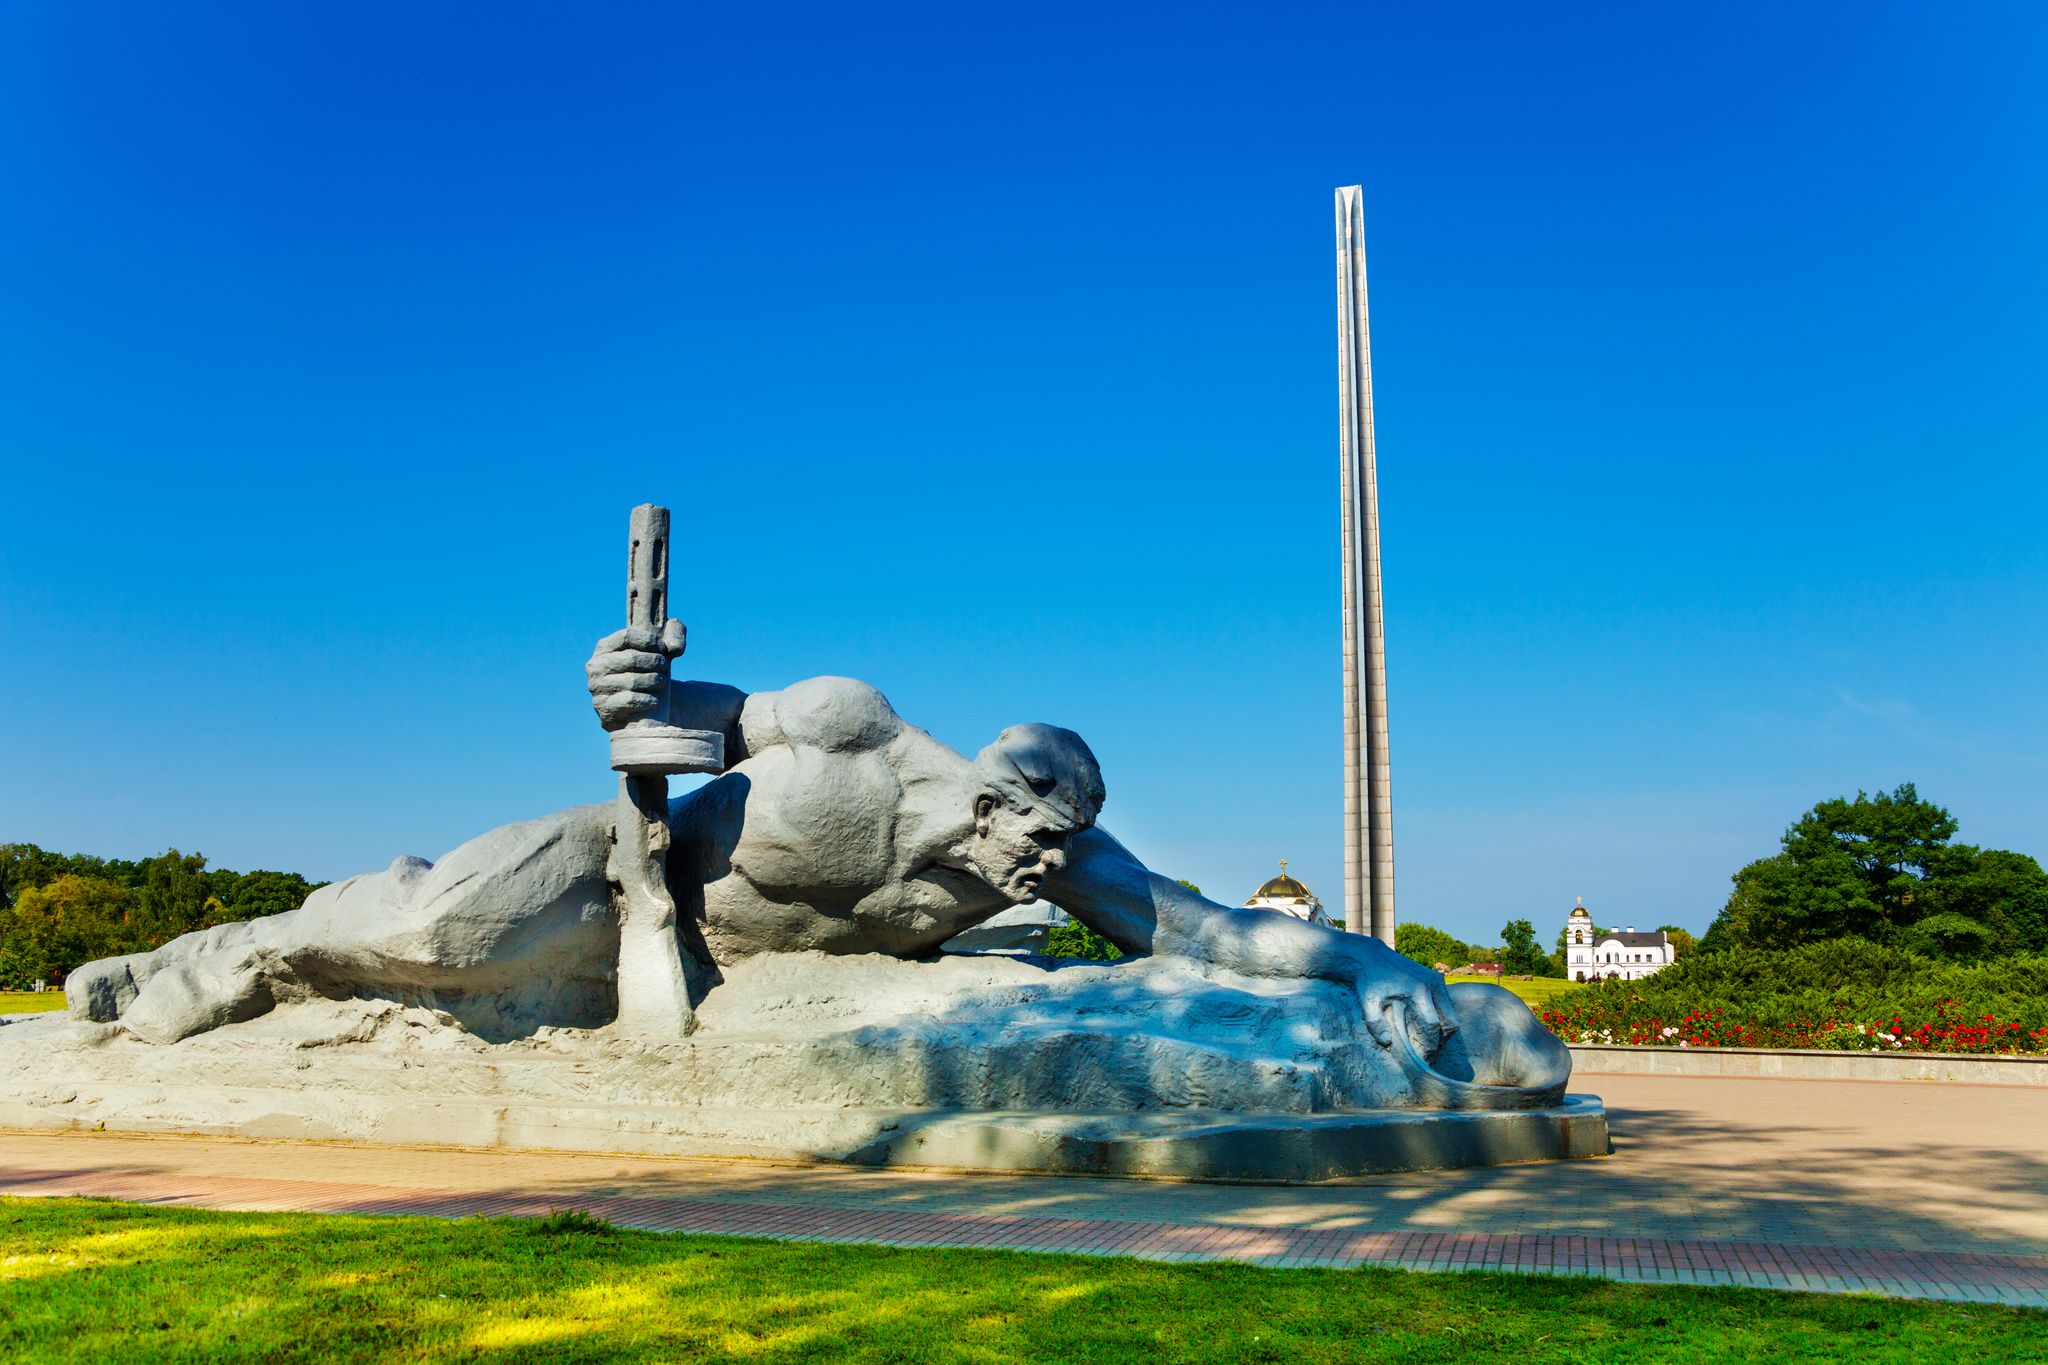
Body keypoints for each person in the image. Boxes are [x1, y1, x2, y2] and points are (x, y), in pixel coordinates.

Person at [69, 632, 1457, 1061]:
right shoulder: (857, 730)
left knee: (453, 973)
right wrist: (627, 682)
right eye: (1036, 847)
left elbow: (1203, 926)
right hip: (627, 868)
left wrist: (1365, 965)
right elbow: (690, 717)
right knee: (435, 933)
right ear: (998, 800)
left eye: (1061, 859)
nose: (1041, 880)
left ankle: (279, 952)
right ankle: (223, 952)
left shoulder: (1051, 860)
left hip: (689, 976)